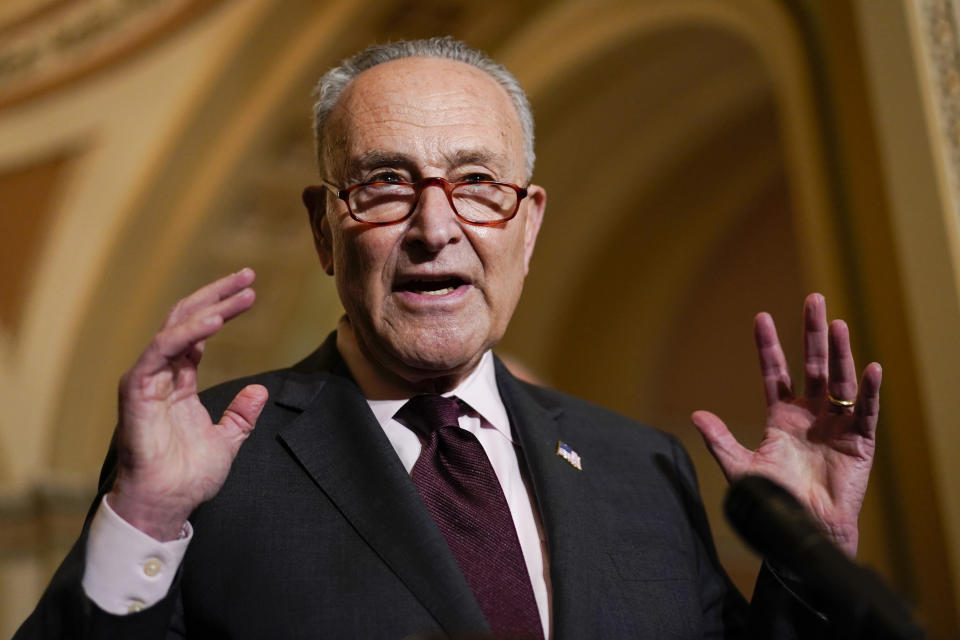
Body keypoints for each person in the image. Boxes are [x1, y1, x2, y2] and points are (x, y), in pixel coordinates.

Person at [15, 37, 881, 639]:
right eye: (385, 184)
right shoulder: (204, 463)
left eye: (477, 183)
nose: (436, 227)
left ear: (527, 226)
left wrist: (808, 557)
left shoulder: (639, 467)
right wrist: (144, 523)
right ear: (324, 229)